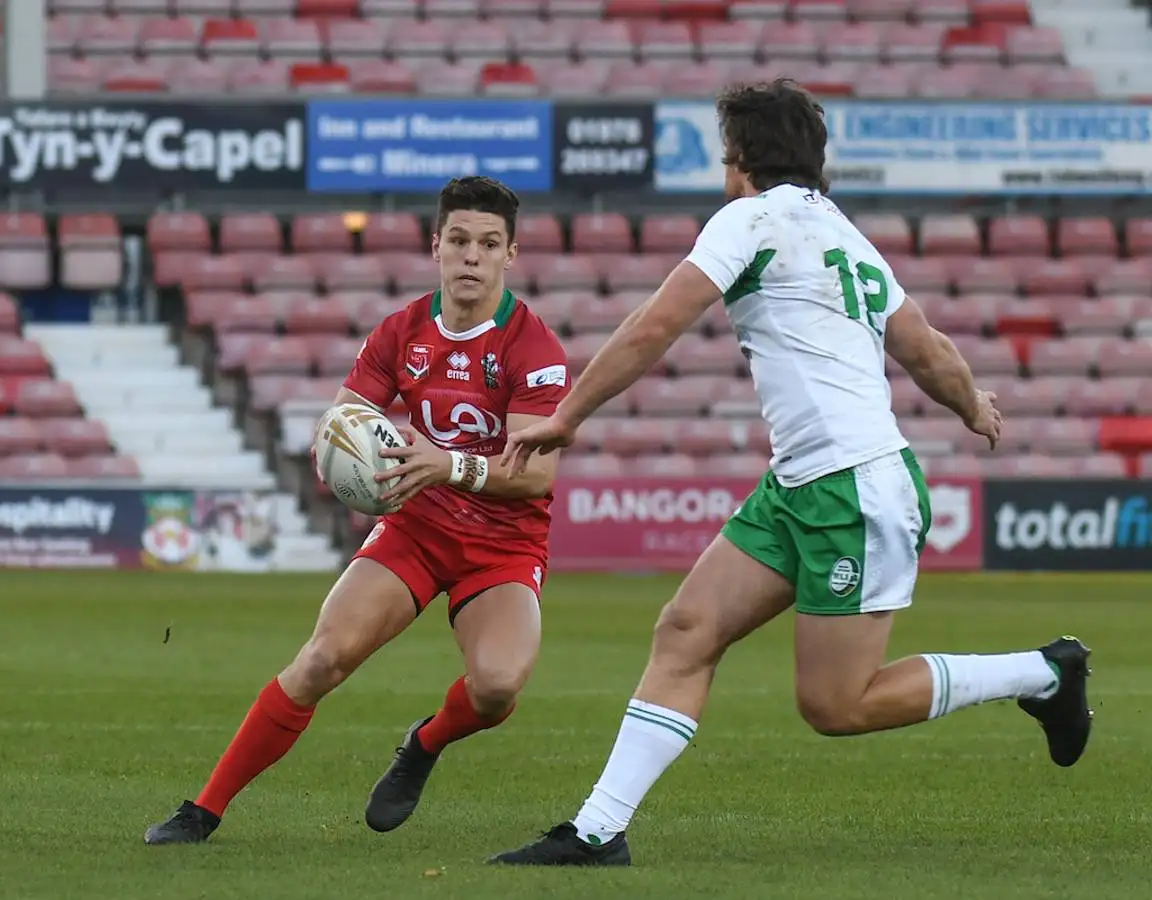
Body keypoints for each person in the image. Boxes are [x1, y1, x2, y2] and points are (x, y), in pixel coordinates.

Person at [488, 80, 1093, 868]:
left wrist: (570, 413)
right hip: (802, 483)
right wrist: (971, 403)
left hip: (852, 486)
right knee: (686, 629)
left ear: (741, 159)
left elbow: (658, 323)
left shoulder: (749, 218)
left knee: (836, 705)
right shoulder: (844, 234)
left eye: (724, 153)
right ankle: (597, 832)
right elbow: (925, 346)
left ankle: (1043, 673)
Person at [145, 176, 570, 845]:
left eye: (489, 244)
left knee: (496, 687)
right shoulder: (400, 331)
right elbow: (347, 411)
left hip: (504, 544)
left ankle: (423, 744)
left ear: (510, 255)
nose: (471, 256)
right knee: (322, 658)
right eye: (458, 240)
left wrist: (448, 463)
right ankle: (202, 810)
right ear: (436, 246)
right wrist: (338, 443)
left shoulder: (533, 349)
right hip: (417, 525)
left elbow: (538, 471)